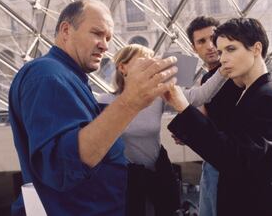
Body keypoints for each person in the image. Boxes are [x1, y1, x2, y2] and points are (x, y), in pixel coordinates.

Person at [8, 0, 178, 216]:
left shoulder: (67, 76)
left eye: (108, 38)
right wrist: (131, 101)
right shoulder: (48, 76)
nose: (105, 45)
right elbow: (63, 167)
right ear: (66, 30)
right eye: (97, 33)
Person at [165, 17, 272, 215]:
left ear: (256, 49)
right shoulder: (251, 90)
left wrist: (182, 107)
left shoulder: (266, 96)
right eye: (221, 51)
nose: (222, 58)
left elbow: (236, 158)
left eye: (231, 49)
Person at [97, 43, 227, 216]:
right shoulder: (104, 101)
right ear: (123, 67)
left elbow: (201, 95)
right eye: (144, 60)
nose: (153, 65)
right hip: (127, 179)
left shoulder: (158, 96)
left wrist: (224, 70)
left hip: (159, 174)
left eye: (153, 59)